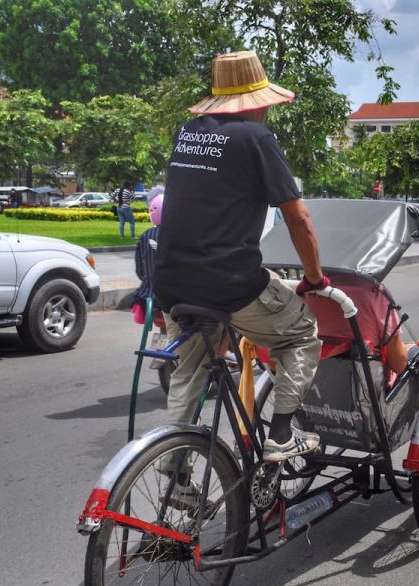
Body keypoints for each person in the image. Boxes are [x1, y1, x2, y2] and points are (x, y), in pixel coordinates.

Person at [155, 50, 325, 463]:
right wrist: (315, 279)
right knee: (302, 334)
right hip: (229, 283)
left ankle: (172, 471)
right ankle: (282, 435)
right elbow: (298, 218)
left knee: (189, 372)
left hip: (172, 280)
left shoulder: (189, 132)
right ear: (257, 102)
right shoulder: (256, 138)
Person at [130, 193, 164, 323]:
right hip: (172, 298)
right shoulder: (177, 235)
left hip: (147, 297)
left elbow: (140, 271)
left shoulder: (145, 236)